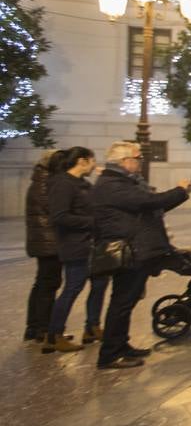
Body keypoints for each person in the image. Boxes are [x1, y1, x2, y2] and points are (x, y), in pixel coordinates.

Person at [90, 141, 191, 369]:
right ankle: (110, 354)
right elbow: (149, 201)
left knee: (126, 301)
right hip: (129, 251)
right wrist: (179, 190)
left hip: (136, 249)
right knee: (122, 302)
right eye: (138, 158)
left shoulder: (121, 182)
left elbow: (151, 207)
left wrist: (182, 194)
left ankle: (121, 345)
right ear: (124, 161)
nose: (140, 162)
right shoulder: (113, 184)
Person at [45, 147, 107, 353]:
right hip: (75, 245)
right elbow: (59, 217)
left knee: (100, 284)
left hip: (93, 244)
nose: (94, 165)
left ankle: (92, 327)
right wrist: (92, 222)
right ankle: (54, 335)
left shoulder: (83, 184)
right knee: (73, 288)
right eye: (92, 161)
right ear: (82, 161)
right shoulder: (62, 184)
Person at [23, 150, 62, 345]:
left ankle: (34, 326)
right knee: (48, 283)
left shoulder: (40, 180)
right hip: (49, 241)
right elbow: (55, 210)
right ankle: (43, 328)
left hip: (43, 240)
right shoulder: (48, 183)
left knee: (42, 283)